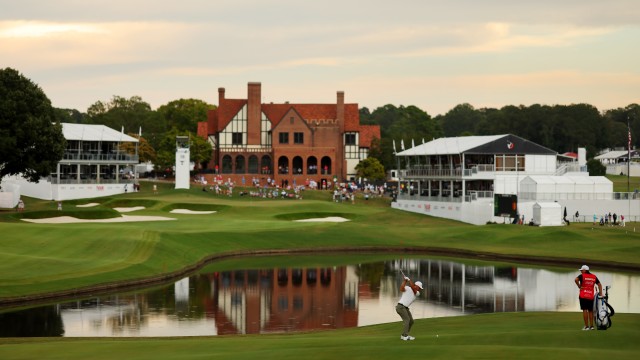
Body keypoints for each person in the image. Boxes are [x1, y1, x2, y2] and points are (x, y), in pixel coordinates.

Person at [574, 265, 603, 330]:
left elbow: (576, 280)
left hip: (583, 295)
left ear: (585, 270)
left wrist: (579, 286)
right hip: (590, 296)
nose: (581, 271)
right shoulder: (594, 276)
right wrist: (601, 294)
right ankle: (592, 326)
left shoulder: (582, 276)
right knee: (590, 310)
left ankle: (586, 326)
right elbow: (599, 284)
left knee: (585, 310)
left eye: (581, 270)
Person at [396, 275, 424, 341]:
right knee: (407, 320)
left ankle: (404, 335)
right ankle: (405, 336)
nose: (420, 289)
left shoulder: (417, 293)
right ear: (416, 285)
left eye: (420, 288)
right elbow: (401, 288)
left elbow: (413, 289)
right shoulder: (408, 288)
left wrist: (409, 280)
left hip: (405, 308)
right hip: (400, 307)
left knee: (411, 321)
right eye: (419, 287)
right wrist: (405, 281)